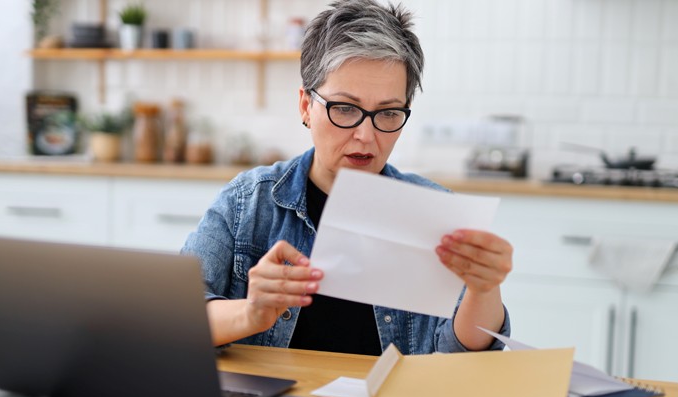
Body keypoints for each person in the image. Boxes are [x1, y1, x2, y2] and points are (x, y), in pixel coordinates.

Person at [182, 0, 512, 356]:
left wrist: (485, 289)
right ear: (306, 106)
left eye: (388, 113)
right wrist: (250, 313)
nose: (366, 136)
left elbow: (459, 359)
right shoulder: (248, 202)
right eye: (344, 108)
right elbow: (177, 317)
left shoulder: (436, 215)